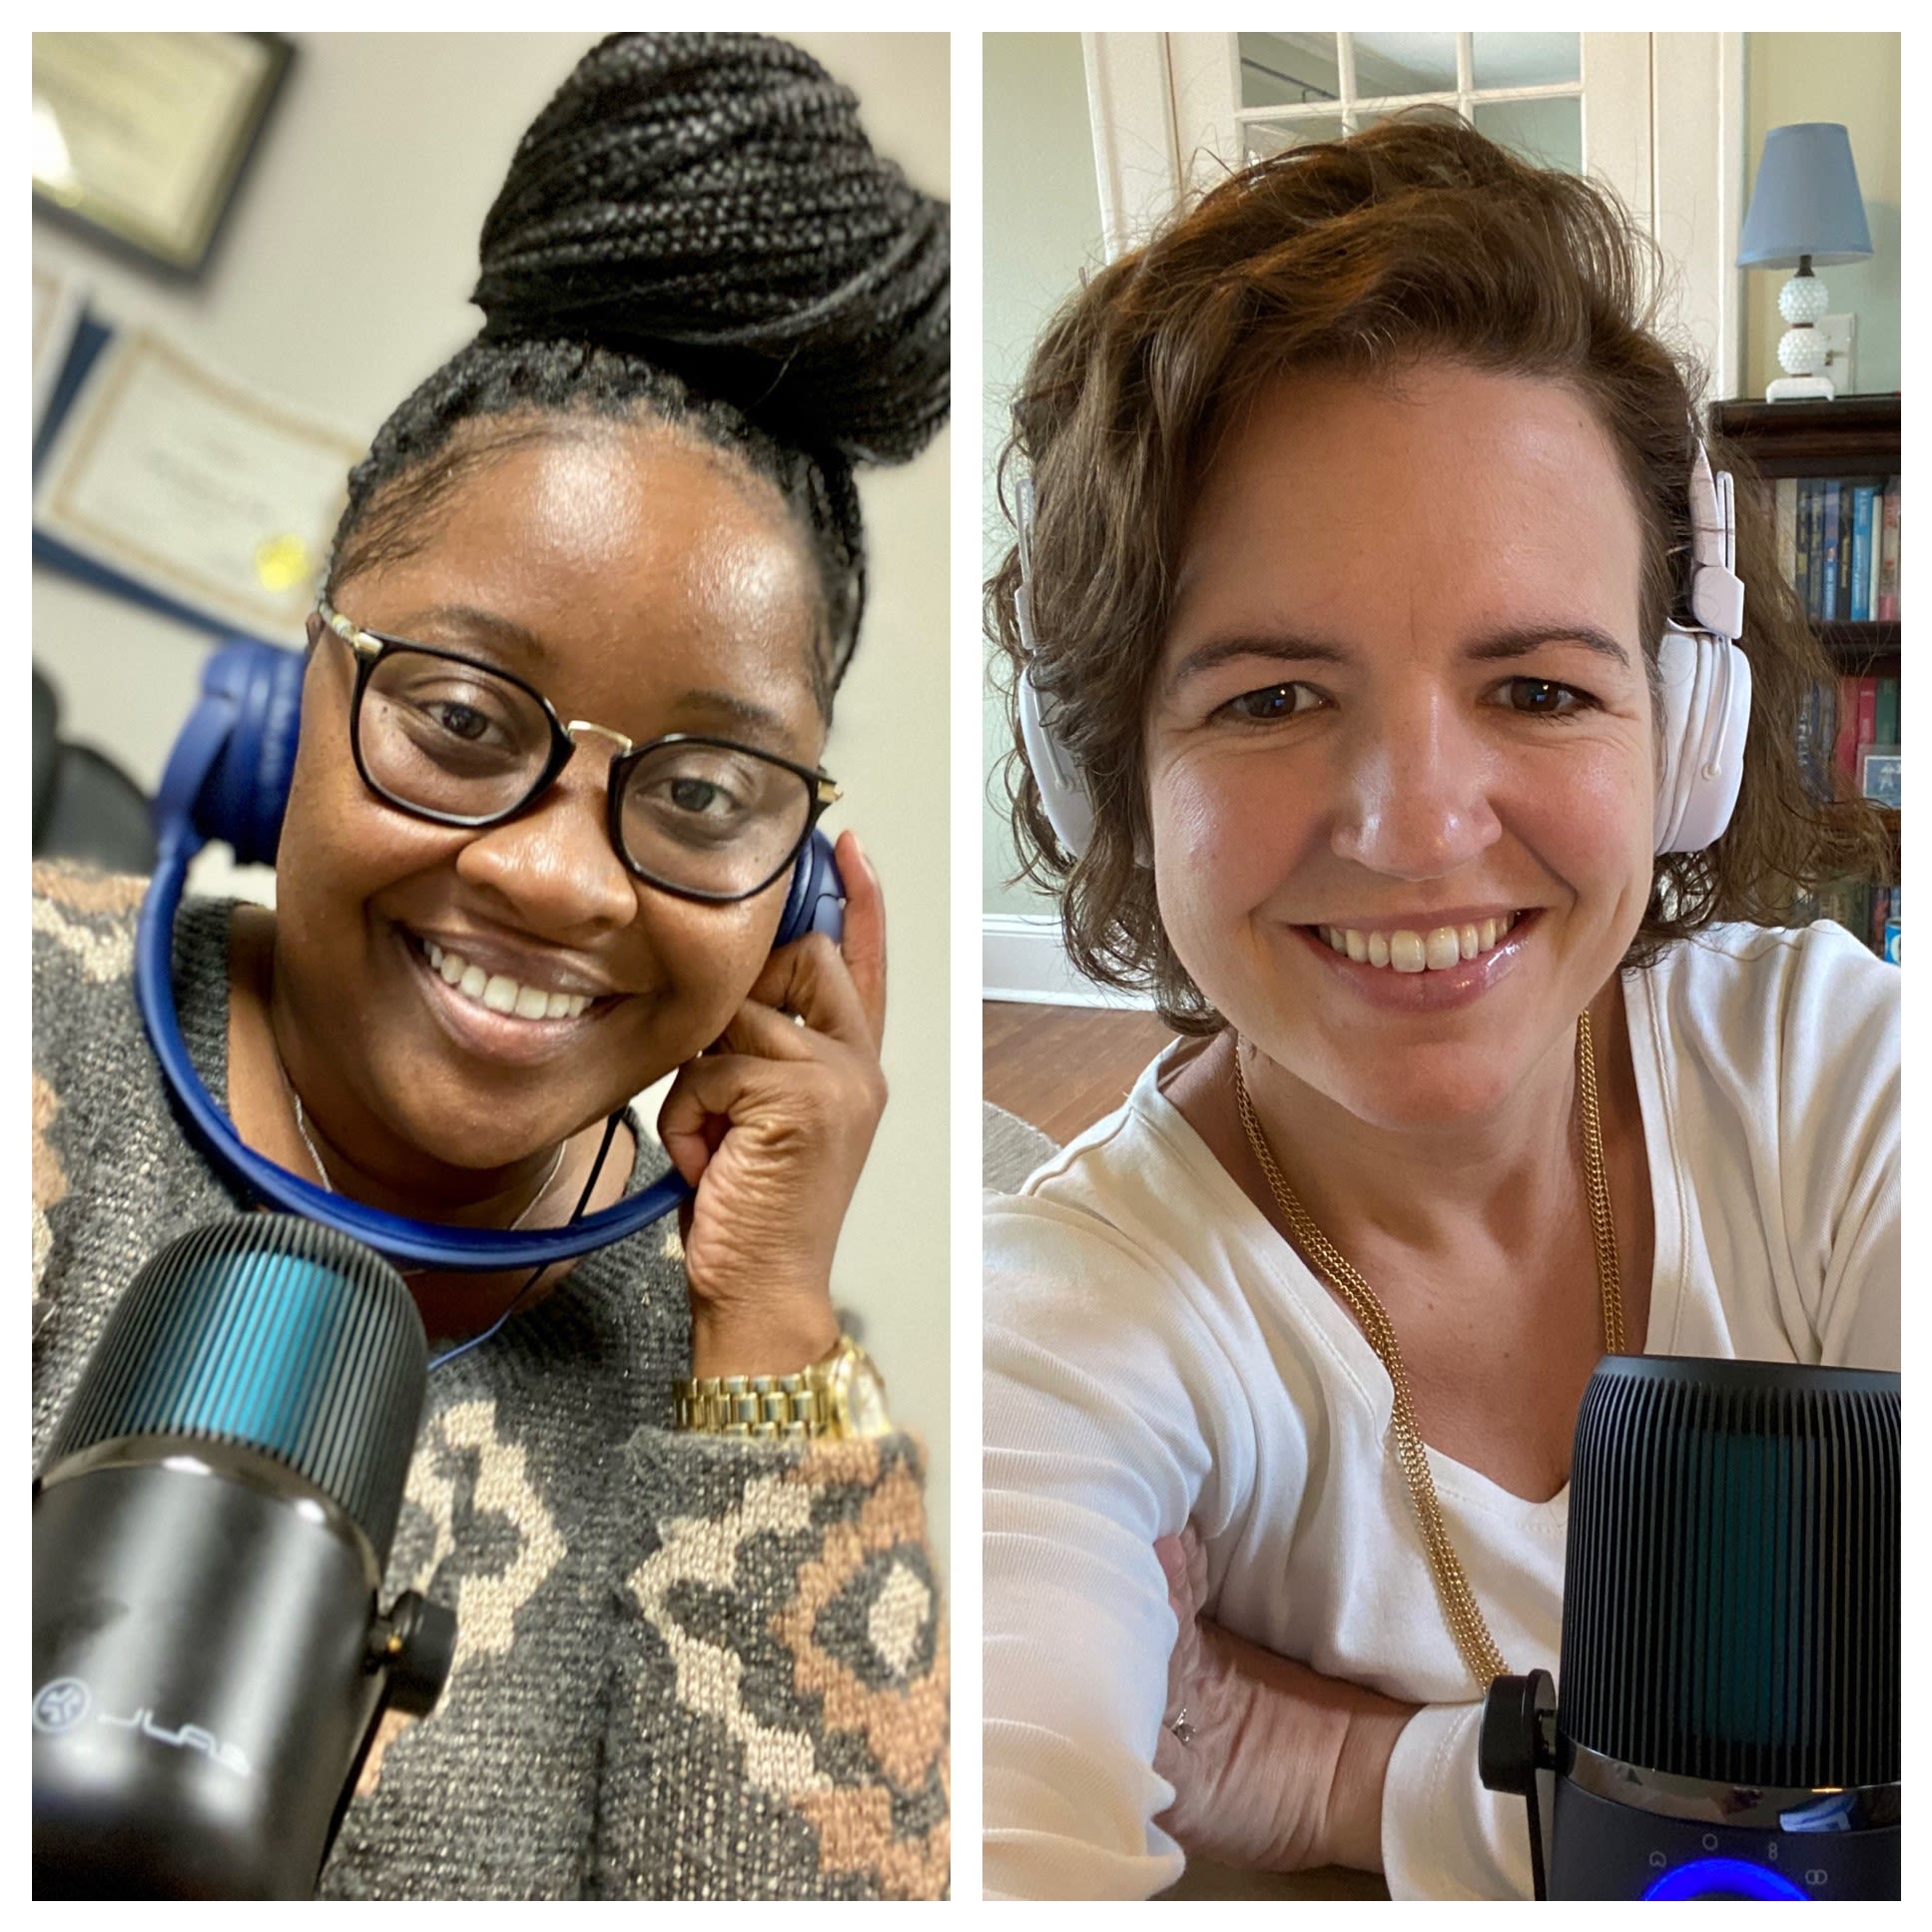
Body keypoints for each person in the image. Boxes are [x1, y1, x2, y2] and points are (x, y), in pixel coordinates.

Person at [33, 35, 950, 1900]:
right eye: (459, 717)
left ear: (800, 903)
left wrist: (766, 1325)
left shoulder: (759, 1381)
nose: (553, 875)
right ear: (285, 704)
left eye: (700, 790)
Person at [982, 120, 1897, 1901]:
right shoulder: (1060, 1333)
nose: (1414, 829)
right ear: (1110, 783)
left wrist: (1353, 1780)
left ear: (1683, 741)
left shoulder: (1837, 1079)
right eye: (1268, 699)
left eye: (1541, 686)